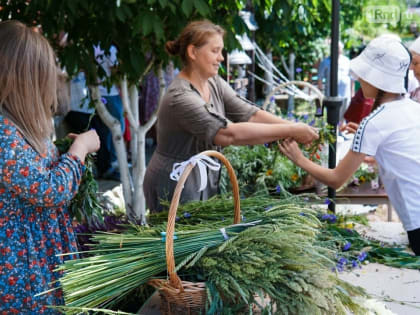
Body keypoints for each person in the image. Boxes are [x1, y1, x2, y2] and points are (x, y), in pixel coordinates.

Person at [143, 20, 319, 212]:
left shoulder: (213, 82)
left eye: (221, 51)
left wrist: (299, 129)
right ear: (193, 52)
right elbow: (228, 134)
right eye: (215, 51)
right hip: (174, 184)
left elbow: (249, 113)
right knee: (177, 240)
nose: (221, 58)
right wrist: (292, 129)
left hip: (200, 178)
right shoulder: (180, 97)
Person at [279, 37, 420, 256]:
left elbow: (336, 179)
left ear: (377, 79)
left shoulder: (374, 123)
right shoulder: (413, 108)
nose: (360, 79)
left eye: (365, 74)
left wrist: (299, 158)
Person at [0, 20, 100, 313]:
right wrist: (78, 151)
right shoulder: (2, 132)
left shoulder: (17, 126)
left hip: (35, 258)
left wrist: (61, 154)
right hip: (20, 264)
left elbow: (28, 172)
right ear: (26, 79)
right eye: (47, 74)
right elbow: (48, 190)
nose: (54, 80)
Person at [94, 43, 125, 180]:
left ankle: (110, 163)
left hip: (98, 93)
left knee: (105, 130)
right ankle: (114, 162)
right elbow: (115, 71)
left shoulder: (90, 47)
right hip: (110, 93)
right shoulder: (110, 49)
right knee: (118, 128)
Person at [318, 41, 352, 123]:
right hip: (331, 95)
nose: (338, 50)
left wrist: (352, 92)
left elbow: (351, 78)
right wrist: (320, 93)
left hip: (345, 93)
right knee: (332, 116)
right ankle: (334, 132)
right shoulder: (325, 62)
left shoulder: (347, 61)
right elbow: (320, 78)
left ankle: (341, 131)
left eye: (339, 48)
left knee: (344, 115)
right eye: (336, 48)